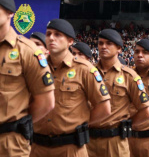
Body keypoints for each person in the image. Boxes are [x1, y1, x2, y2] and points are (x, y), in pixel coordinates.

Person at [30, 19, 111, 157]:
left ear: (70, 41)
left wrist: (80, 123)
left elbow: (104, 108)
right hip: (37, 147)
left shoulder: (84, 69)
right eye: (48, 34)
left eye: (57, 35)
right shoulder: (35, 67)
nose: (51, 38)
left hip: (70, 147)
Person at [0, 0, 55, 157]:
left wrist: (16, 122)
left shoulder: (27, 51)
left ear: (10, 13)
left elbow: (46, 102)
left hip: (9, 142)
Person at [87, 29, 149, 157]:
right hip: (88, 141)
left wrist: (125, 126)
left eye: (109, 43)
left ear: (119, 49)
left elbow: (145, 112)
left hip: (115, 142)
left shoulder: (129, 76)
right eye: (100, 43)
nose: (103, 46)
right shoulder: (87, 72)